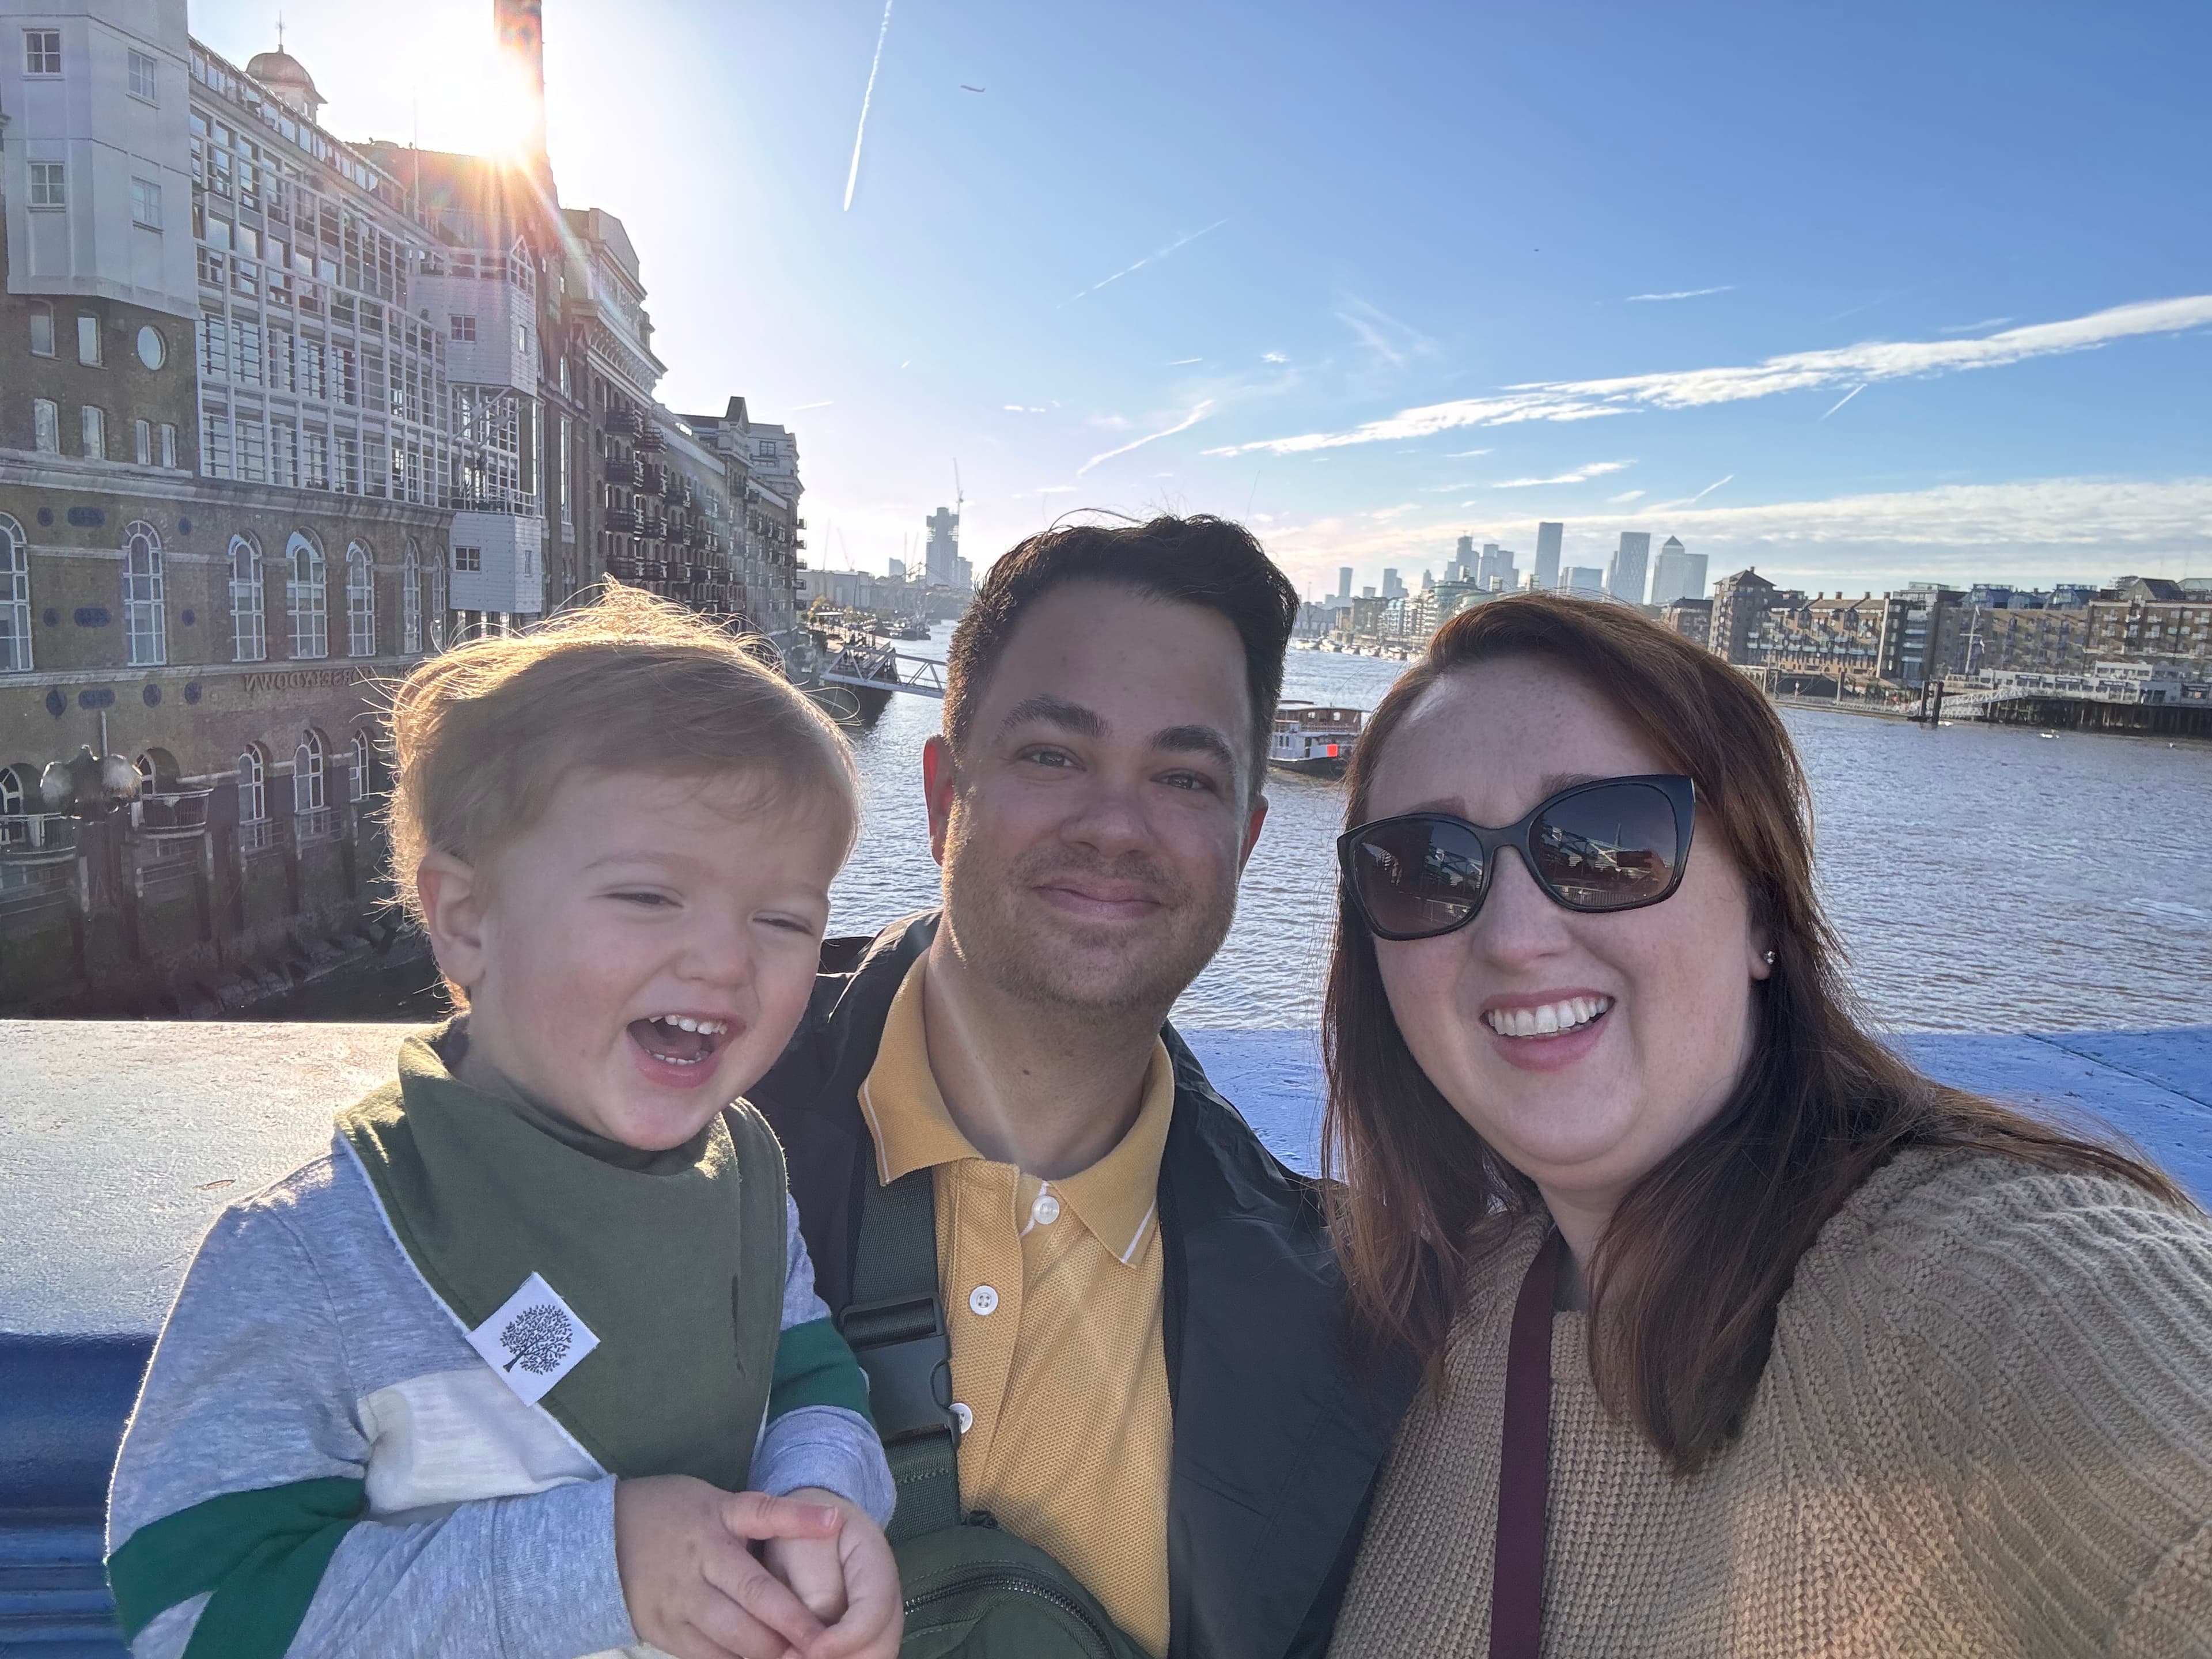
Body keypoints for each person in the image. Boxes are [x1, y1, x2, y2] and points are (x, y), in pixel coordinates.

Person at [1322, 593, 2212, 1658]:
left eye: (1606, 844)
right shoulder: (1454, 1313)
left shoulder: (1999, 1290)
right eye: (1427, 866)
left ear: (1762, 909)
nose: (1514, 937)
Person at [107, 589, 902, 1659]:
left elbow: (808, 1378)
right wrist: (593, 1567)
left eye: (782, 919)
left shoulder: (748, 1175)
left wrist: (819, 1509)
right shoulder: (313, 1257)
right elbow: (192, 1612)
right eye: (649, 897)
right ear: (468, 922)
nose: (725, 958)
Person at [753, 516, 1412, 1659]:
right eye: (1055, 755)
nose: (1115, 824)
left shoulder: (1350, 1322)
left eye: (1184, 774)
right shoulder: (676, 1125)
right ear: (944, 793)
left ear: (1244, 842)